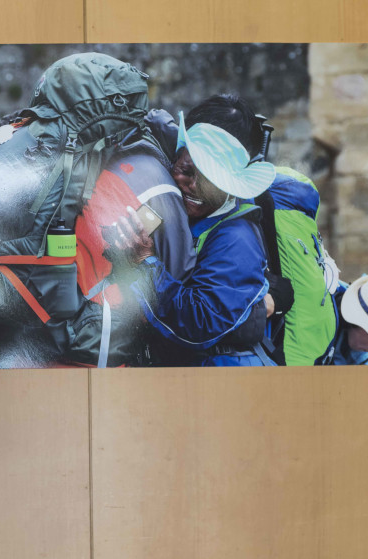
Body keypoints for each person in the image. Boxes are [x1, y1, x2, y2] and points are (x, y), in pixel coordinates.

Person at [113, 98, 278, 366]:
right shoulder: (173, 203)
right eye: (186, 171)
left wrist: (146, 263)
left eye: (211, 182)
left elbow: (200, 324)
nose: (194, 187)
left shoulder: (237, 239)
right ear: (175, 157)